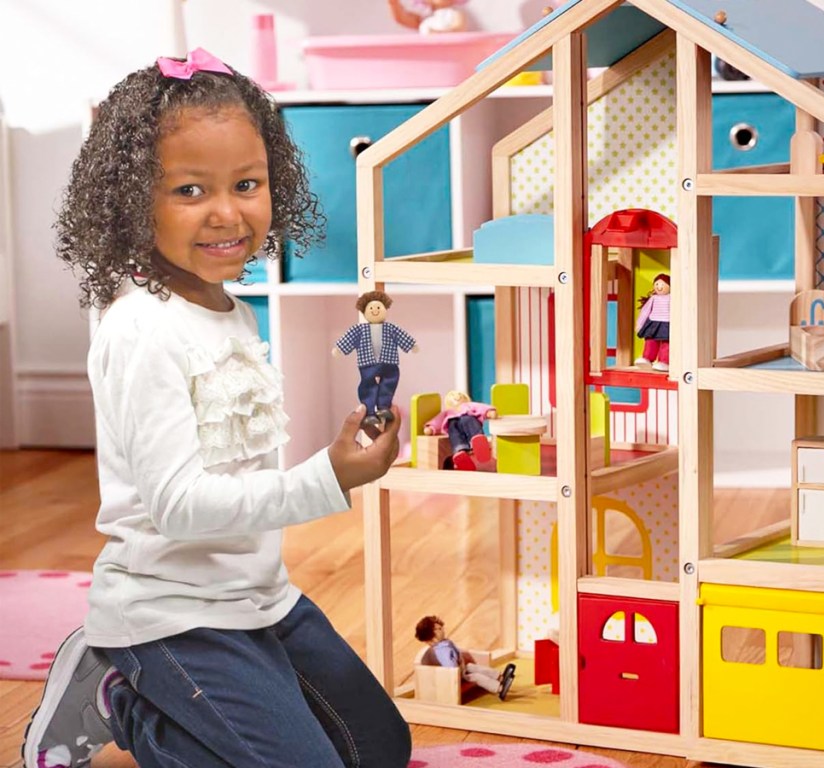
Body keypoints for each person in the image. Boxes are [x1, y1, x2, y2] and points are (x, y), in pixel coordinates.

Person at [22, 48, 411, 768]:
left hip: (257, 597)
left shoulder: (230, 310)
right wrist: (328, 476)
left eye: (247, 183)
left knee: (379, 750)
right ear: (131, 201)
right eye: (190, 190)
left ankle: (159, 697)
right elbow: (177, 507)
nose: (227, 212)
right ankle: (128, 693)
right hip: (170, 615)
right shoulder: (143, 329)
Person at [332, 291, 418, 433]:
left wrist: (412, 346)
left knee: (389, 382)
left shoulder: (390, 328)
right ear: (365, 311)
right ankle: (370, 412)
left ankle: (384, 407)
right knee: (368, 385)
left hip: (388, 361)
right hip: (368, 362)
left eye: (378, 308)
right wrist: (339, 349)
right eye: (371, 308)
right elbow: (348, 339)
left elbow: (402, 337)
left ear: (385, 309)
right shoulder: (359, 329)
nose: (375, 311)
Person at [414, 616, 515, 700]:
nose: (442, 629)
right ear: (432, 638)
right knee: (476, 677)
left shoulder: (444, 643)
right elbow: (450, 667)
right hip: (457, 676)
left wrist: (461, 663)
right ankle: (499, 688)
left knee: (473, 667)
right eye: (439, 629)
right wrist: (460, 670)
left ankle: (499, 677)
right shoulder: (442, 651)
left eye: (441, 627)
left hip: (462, 668)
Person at [422, 390, 495, 471]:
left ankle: (479, 442)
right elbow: (438, 420)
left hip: (468, 421)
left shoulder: (468, 406)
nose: (456, 399)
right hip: (455, 427)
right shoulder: (447, 413)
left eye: (459, 396)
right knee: (453, 431)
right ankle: (460, 452)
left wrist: (489, 412)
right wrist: (431, 428)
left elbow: (480, 407)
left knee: (469, 421)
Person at [635, 272, 671, 372]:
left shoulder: (672, 297)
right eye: (657, 284)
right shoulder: (653, 298)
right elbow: (645, 311)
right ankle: (647, 358)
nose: (659, 287)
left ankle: (664, 361)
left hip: (667, 323)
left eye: (662, 284)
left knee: (666, 343)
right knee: (650, 341)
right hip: (653, 323)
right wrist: (640, 324)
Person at [387, 0, 469, 33]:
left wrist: (439, 34)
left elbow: (458, 29)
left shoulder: (454, 13)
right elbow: (402, 19)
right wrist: (393, 4)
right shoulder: (425, 17)